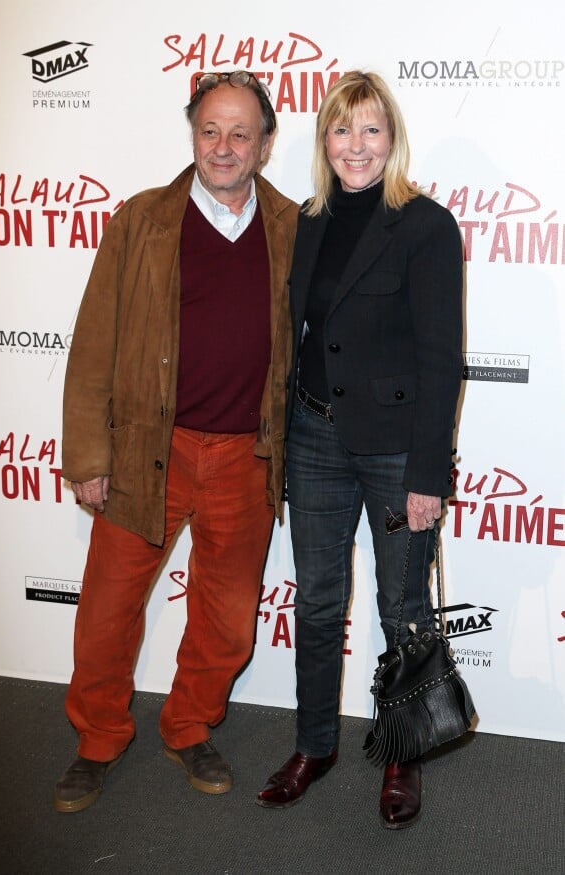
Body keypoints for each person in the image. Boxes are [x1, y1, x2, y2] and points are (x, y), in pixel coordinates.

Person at [54, 70, 298, 813]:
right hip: (147, 453)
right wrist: (91, 457)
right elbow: (94, 342)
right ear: (193, 133)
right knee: (107, 613)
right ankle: (97, 739)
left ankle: (189, 724)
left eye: (240, 134)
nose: (222, 148)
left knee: (226, 621)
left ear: (264, 144)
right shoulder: (141, 219)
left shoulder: (292, 225)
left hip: (246, 456)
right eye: (210, 130)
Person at [256, 71, 464, 828]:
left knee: (402, 608)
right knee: (315, 601)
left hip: (393, 449)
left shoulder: (426, 225)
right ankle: (316, 744)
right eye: (342, 130)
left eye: (371, 130)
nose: (357, 146)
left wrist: (426, 474)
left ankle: (404, 754)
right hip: (313, 434)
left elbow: (443, 358)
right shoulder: (306, 221)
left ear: (392, 138)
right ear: (325, 141)